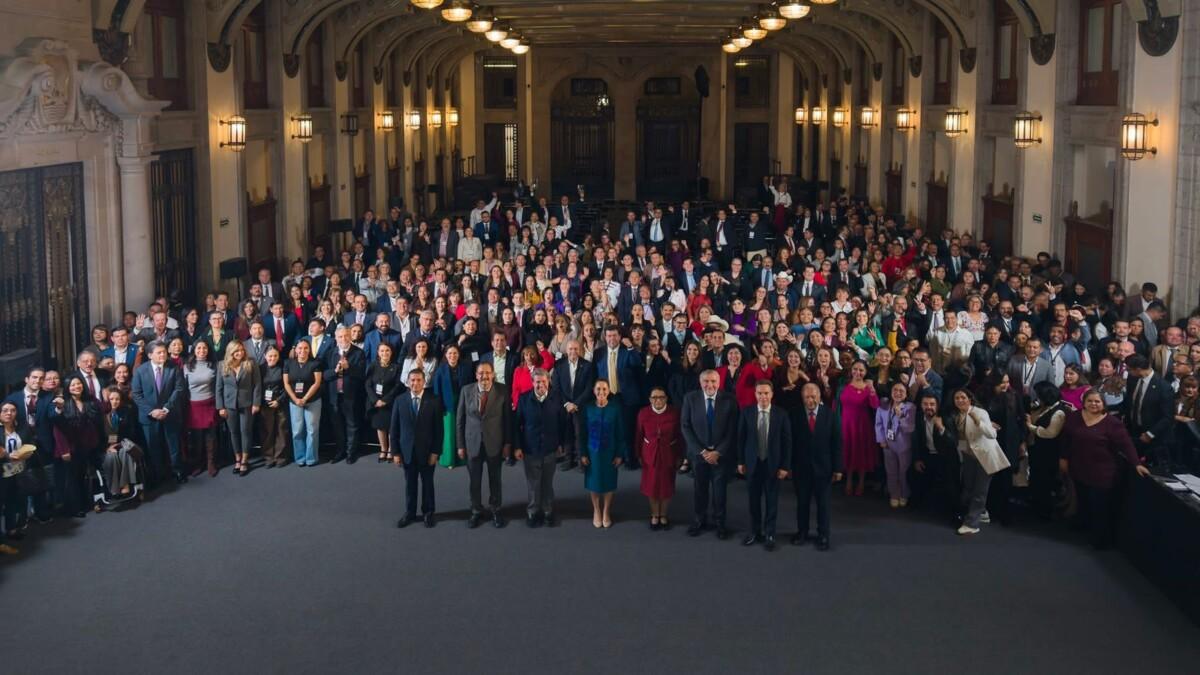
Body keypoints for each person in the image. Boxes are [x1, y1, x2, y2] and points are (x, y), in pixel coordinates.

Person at [1060, 389, 1151, 548]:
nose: (1093, 404)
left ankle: (1102, 540)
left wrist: (1136, 463)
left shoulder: (1112, 423)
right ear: (1084, 402)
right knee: (1083, 500)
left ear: (1103, 404)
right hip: (1079, 467)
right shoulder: (1074, 418)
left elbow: (1126, 445)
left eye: (1097, 401)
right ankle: (1084, 526)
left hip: (1103, 472)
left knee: (1100, 506)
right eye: (1090, 401)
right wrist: (1063, 458)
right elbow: (1065, 440)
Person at [679, 369, 739, 539]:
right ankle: (699, 520)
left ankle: (720, 523)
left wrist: (718, 452)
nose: (709, 384)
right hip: (699, 456)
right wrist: (702, 451)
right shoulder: (690, 398)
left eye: (713, 381)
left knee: (720, 492)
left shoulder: (730, 400)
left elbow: (732, 430)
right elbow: (685, 426)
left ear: (719, 383)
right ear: (700, 382)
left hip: (721, 456)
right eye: (706, 381)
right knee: (700, 490)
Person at [737, 380, 792, 551]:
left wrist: (785, 466)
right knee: (753, 501)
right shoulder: (746, 412)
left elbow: (787, 442)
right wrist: (740, 461)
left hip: (773, 464)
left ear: (772, 394)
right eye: (760, 393)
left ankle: (770, 533)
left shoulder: (781, 414)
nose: (763, 396)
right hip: (752, 464)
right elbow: (740, 439)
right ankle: (754, 532)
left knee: (772, 501)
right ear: (755, 395)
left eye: (766, 393)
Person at [456, 362, 511, 528]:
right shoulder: (466, 391)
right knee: (474, 481)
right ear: (476, 375)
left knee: (495, 479)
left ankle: (496, 510)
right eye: (481, 373)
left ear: (493, 375)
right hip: (472, 443)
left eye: (487, 373)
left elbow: (508, 420)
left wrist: (507, 443)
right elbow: (460, 420)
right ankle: (475, 511)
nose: (484, 376)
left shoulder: (502, 391)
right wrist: (460, 445)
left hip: (494, 442)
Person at [949, 389, 1009, 536]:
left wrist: (978, 422)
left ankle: (971, 524)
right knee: (968, 487)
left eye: (963, 397)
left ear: (970, 398)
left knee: (979, 491)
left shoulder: (980, 412)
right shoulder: (957, 415)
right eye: (957, 398)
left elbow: (992, 434)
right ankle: (982, 513)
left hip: (985, 456)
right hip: (969, 456)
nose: (960, 400)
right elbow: (962, 438)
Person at [513, 369, 568, 527]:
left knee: (547, 482)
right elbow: (517, 425)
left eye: (543, 381)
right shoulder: (524, 399)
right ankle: (532, 511)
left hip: (550, 448)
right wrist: (517, 447)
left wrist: (561, 444)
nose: (540, 385)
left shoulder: (556, 398)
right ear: (532, 382)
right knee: (533, 483)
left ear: (548, 382)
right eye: (537, 382)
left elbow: (563, 423)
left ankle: (547, 511)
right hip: (530, 449)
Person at [390, 369, 444, 528]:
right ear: (408, 382)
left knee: (428, 483)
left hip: (427, 452)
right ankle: (410, 513)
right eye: (412, 380)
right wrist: (395, 452)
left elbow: (438, 430)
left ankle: (428, 512)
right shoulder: (400, 400)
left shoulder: (434, 400)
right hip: (407, 452)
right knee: (410, 484)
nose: (415, 383)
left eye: (419, 380)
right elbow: (394, 429)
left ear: (424, 382)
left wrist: (435, 452)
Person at [791, 383, 841, 550]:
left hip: (824, 468)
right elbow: (790, 443)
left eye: (813, 397)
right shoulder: (795, 414)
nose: (810, 400)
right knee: (802, 503)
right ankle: (802, 532)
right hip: (801, 468)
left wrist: (838, 468)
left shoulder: (831, 415)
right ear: (802, 398)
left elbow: (837, 443)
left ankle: (823, 535)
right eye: (807, 397)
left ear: (819, 397)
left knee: (823, 505)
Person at [131, 342, 187, 484]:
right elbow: (137, 394)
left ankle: (177, 470)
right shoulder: (140, 370)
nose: (163, 355)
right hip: (149, 416)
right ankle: (158, 475)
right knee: (153, 446)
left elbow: (179, 389)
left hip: (170, 412)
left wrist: (166, 408)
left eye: (164, 352)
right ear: (150, 355)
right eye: (159, 352)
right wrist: (151, 411)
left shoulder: (173, 368)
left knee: (173, 445)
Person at [49, 375, 104, 517]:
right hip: (71, 447)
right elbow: (58, 429)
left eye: (78, 383)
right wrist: (64, 450)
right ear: (67, 388)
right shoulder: (64, 403)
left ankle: (87, 502)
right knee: (73, 478)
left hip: (89, 445)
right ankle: (76, 507)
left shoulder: (90, 400)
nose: (76, 387)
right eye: (72, 385)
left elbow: (103, 411)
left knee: (86, 475)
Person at [578, 379, 628, 528]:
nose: (601, 392)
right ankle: (596, 510)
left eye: (604, 389)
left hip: (610, 452)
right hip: (592, 452)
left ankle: (606, 510)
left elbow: (621, 433)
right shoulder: (587, 408)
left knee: (608, 482)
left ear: (609, 391)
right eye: (598, 389)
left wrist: (620, 454)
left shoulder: (616, 408)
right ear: (593, 391)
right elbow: (582, 433)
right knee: (594, 483)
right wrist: (583, 453)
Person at [634, 386, 682, 530]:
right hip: (650, 456)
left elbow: (680, 436)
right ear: (650, 400)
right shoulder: (643, 413)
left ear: (666, 398)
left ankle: (664, 514)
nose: (658, 400)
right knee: (652, 487)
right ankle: (655, 514)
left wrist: (681, 456)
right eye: (654, 397)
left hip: (669, 454)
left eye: (661, 397)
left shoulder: (675, 413)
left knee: (666, 487)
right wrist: (638, 454)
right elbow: (638, 436)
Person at [1025, 381, 1071, 521]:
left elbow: (1050, 433)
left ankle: (1045, 511)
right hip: (1038, 450)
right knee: (1037, 479)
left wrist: (1030, 426)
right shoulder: (1046, 406)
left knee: (1045, 480)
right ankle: (1037, 505)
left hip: (1049, 452)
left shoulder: (1059, 411)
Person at [215, 340, 261, 476]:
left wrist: (256, 403)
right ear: (230, 352)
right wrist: (220, 407)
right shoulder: (222, 365)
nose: (239, 353)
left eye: (241, 350)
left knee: (245, 431)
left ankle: (245, 460)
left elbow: (257, 385)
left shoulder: (251, 363)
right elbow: (218, 388)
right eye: (236, 351)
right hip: (229, 405)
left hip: (247, 404)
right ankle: (237, 459)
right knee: (233, 432)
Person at [551, 340, 596, 470]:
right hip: (564, 406)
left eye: (576, 349)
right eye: (570, 349)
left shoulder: (587, 366)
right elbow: (556, 388)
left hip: (580, 406)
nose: (573, 352)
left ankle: (581, 459)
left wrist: (576, 404)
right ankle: (568, 459)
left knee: (580, 433)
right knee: (567, 433)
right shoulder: (559, 365)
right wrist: (567, 404)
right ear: (566, 350)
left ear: (580, 350)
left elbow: (589, 389)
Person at [1124, 354, 1174, 470]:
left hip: (1153, 439)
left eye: (1129, 369)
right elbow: (1128, 403)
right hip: (1134, 432)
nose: (1127, 372)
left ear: (1138, 369)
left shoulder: (1164, 387)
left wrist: (1150, 433)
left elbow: (1167, 417)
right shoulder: (1132, 379)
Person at [325, 326, 366, 464]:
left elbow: (362, 374)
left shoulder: (358, 353)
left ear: (350, 336)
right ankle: (340, 451)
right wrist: (335, 372)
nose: (343, 339)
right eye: (340, 336)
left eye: (346, 336)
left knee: (352, 424)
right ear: (336, 338)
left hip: (351, 396)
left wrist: (350, 368)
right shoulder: (331, 353)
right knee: (337, 425)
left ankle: (351, 453)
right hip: (334, 396)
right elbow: (324, 375)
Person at [838, 360, 880, 496]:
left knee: (861, 454)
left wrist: (873, 390)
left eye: (861, 370)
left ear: (866, 372)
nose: (858, 372)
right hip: (845, 425)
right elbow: (836, 404)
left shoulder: (868, 387)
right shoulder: (844, 384)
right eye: (855, 369)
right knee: (848, 452)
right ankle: (849, 480)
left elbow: (875, 406)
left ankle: (861, 482)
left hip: (862, 426)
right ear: (851, 370)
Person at [875, 382, 917, 508]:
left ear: (906, 394)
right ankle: (894, 494)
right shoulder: (883, 406)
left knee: (904, 471)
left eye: (901, 391)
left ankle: (904, 494)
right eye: (895, 390)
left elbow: (909, 428)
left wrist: (900, 416)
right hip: (887, 444)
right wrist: (881, 439)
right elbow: (878, 424)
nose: (898, 393)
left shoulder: (910, 407)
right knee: (891, 471)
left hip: (904, 445)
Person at [284, 339, 324, 467]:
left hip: (312, 400)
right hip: (294, 401)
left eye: (306, 348)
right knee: (297, 431)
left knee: (312, 430)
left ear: (309, 350)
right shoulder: (288, 363)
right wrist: (295, 399)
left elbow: (317, 383)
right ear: (295, 350)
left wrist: (305, 398)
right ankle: (300, 457)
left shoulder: (315, 363)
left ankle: (311, 458)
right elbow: (286, 383)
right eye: (300, 348)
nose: (303, 351)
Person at [183, 340, 220, 477]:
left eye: (204, 348)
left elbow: (217, 385)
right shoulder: (187, 366)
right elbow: (183, 387)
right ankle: (198, 464)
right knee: (196, 438)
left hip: (209, 403)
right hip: (193, 405)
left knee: (211, 436)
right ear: (194, 350)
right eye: (199, 348)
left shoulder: (213, 365)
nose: (202, 351)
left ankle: (211, 463)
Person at [99, 388, 143, 495]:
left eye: (117, 399)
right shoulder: (101, 415)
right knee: (111, 456)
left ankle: (125, 484)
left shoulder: (126, 412)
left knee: (125, 452)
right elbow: (98, 437)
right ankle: (115, 489)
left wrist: (118, 443)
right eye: (111, 399)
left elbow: (131, 433)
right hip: (106, 448)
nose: (114, 401)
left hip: (125, 444)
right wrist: (107, 447)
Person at [365, 342, 402, 463]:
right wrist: (375, 400)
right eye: (382, 351)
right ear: (378, 353)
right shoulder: (373, 365)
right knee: (380, 427)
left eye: (387, 351)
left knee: (391, 427)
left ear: (391, 352)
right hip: (376, 402)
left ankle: (392, 449)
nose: (384, 353)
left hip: (390, 403)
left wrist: (385, 400)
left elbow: (397, 386)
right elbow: (368, 384)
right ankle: (383, 449)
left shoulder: (396, 367)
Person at [257, 346, 290, 468]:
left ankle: (280, 457)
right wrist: (262, 401)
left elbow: (287, 386)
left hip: (279, 402)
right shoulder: (260, 369)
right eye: (270, 356)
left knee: (281, 430)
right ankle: (268, 457)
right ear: (265, 356)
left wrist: (279, 401)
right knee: (267, 431)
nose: (272, 358)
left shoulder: (283, 368)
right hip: (265, 404)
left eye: (275, 356)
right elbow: (256, 387)